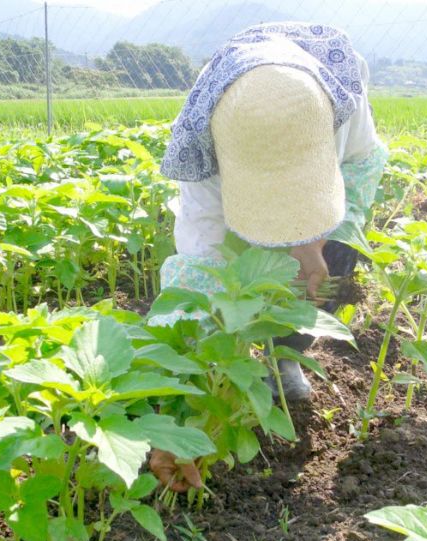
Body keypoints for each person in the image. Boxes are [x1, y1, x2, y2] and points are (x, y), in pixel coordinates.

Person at [149, 22, 388, 491]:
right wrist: (179, 418)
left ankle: (285, 354)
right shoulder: (206, 151)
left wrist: (312, 240)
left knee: (339, 258)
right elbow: (196, 276)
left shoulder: (339, 86)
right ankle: (242, 368)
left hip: (323, 219)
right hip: (229, 233)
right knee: (219, 295)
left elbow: (363, 161)